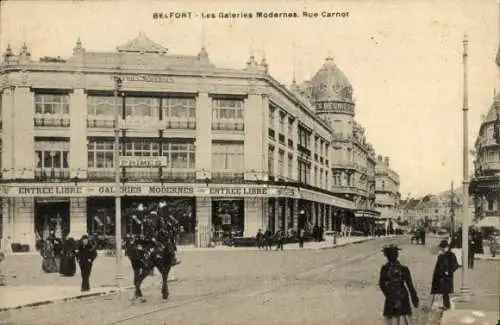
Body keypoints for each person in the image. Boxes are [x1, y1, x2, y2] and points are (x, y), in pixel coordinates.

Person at [378, 244, 419, 325]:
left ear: (386, 256)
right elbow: (410, 285)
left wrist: (389, 294)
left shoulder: (385, 268)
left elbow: (381, 284)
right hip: (402, 295)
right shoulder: (404, 268)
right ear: (397, 255)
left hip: (391, 296)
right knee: (404, 317)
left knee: (392, 318)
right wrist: (414, 298)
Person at [431, 239, 459, 310]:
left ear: (446, 247)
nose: (441, 249)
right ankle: (445, 305)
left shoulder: (451, 255)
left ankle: (447, 306)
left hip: (447, 277)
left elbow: (456, 265)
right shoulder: (442, 255)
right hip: (441, 276)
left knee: (445, 291)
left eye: (442, 247)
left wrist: (449, 271)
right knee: (443, 292)